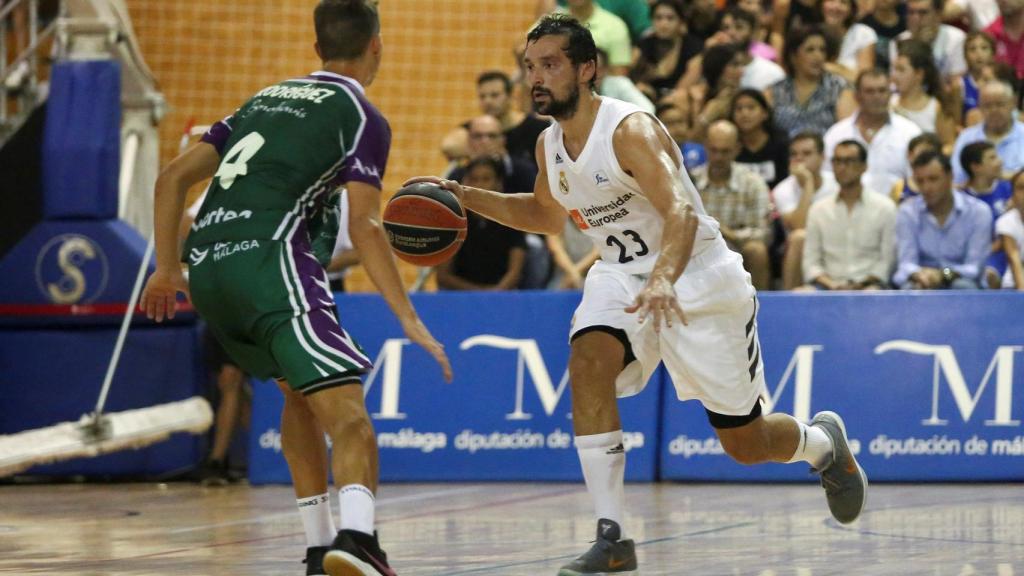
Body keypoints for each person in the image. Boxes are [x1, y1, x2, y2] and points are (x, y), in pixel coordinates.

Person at [408, 15, 867, 575]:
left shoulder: (630, 130)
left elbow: (679, 212)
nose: (537, 78)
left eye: (550, 65)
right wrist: (464, 196)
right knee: (587, 358)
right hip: (623, 275)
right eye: (530, 66)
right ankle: (614, 537)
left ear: (587, 68)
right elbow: (544, 216)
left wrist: (663, 277)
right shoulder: (550, 143)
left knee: (745, 444)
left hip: (696, 278)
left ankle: (823, 445)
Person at [139, 3, 453, 576]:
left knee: (297, 396)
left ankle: (316, 550)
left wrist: (165, 269)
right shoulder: (362, 114)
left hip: (207, 271)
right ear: (376, 46)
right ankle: (358, 540)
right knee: (350, 411)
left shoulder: (262, 100)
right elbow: (366, 223)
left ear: (317, 50)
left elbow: (171, 179)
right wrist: (408, 316)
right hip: (271, 260)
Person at [801, 139, 897, 290]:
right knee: (801, 295)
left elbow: (887, 261)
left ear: (864, 166)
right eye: (837, 161)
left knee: (873, 294)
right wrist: (832, 284)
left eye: (849, 161)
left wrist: (861, 285)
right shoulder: (818, 209)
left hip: (870, 285)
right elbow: (811, 262)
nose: (842, 167)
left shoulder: (885, 208)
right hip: (827, 286)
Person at [691, 120, 773, 290]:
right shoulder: (692, 181)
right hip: (699, 248)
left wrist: (727, 233)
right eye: (714, 150)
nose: (719, 157)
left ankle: (760, 305)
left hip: (738, 248)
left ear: (737, 149)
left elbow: (763, 233)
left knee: (757, 250)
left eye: (725, 151)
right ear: (705, 147)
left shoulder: (752, 182)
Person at [893, 151, 993, 289]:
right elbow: (905, 264)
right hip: (923, 279)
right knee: (910, 288)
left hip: (961, 280)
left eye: (933, 179)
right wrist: (919, 274)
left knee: (963, 286)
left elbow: (974, 268)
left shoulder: (978, 211)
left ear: (950, 176)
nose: (926, 187)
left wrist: (943, 274)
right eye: (920, 181)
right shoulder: (908, 212)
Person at [823, 69, 921, 199]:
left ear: (890, 94)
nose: (877, 96)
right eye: (870, 91)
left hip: (897, 211)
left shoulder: (910, 132)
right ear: (857, 96)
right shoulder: (836, 134)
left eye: (882, 91)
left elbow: (917, 180)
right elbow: (826, 179)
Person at [437, 157, 528, 290]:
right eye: (474, 179)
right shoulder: (452, 217)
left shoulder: (511, 218)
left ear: (499, 183)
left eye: (486, 179)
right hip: (462, 293)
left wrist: (495, 293)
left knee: (535, 247)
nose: (479, 185)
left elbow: (514, 272)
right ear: (465, 182)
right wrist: (480, 293)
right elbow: (443, 275)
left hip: (502, 293)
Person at [772, 132, 840, 289]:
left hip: (835, 243)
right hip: (802, 249)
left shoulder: (836, 183)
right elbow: (799, 226)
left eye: (807, 153)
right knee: (799, 237)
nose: (799, 159)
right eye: (794, 154)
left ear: (823, 157)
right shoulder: (782, 190)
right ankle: (789, 302)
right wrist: (808, 183)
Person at [769, 25, 856, 137]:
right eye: (810, 50)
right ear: (793, 56)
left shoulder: (839, 88)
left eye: (822, 50)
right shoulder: (775, 90)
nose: (818, 56)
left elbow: (847, 133)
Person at [951, 80, 1024, 185]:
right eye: (987, 106)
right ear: (979, 107)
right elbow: (957, 178)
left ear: (1013, 103)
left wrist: (999, 175)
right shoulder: (967, 137)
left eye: (1000, 104)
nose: (994, 110)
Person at [889, 39, 956, 147]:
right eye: (894, 69)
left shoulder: (936, 107)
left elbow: (949, 144)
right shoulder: (889, 104)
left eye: (901, 70)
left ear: (919, 74)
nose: (894, 76)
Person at [820, 0, 877, 83]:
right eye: (831, 0)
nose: (836, 7)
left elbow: (866, 80)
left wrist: (833, 68)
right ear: (821, 4)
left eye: (843, 2)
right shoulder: (809, 33)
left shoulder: (863, 33)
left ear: (851, 9)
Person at [996, 169, 1024, 288]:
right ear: (1012, 195)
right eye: (1021, 188)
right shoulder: (1006, 222)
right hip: (1015, 288)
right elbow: (1014, 260)